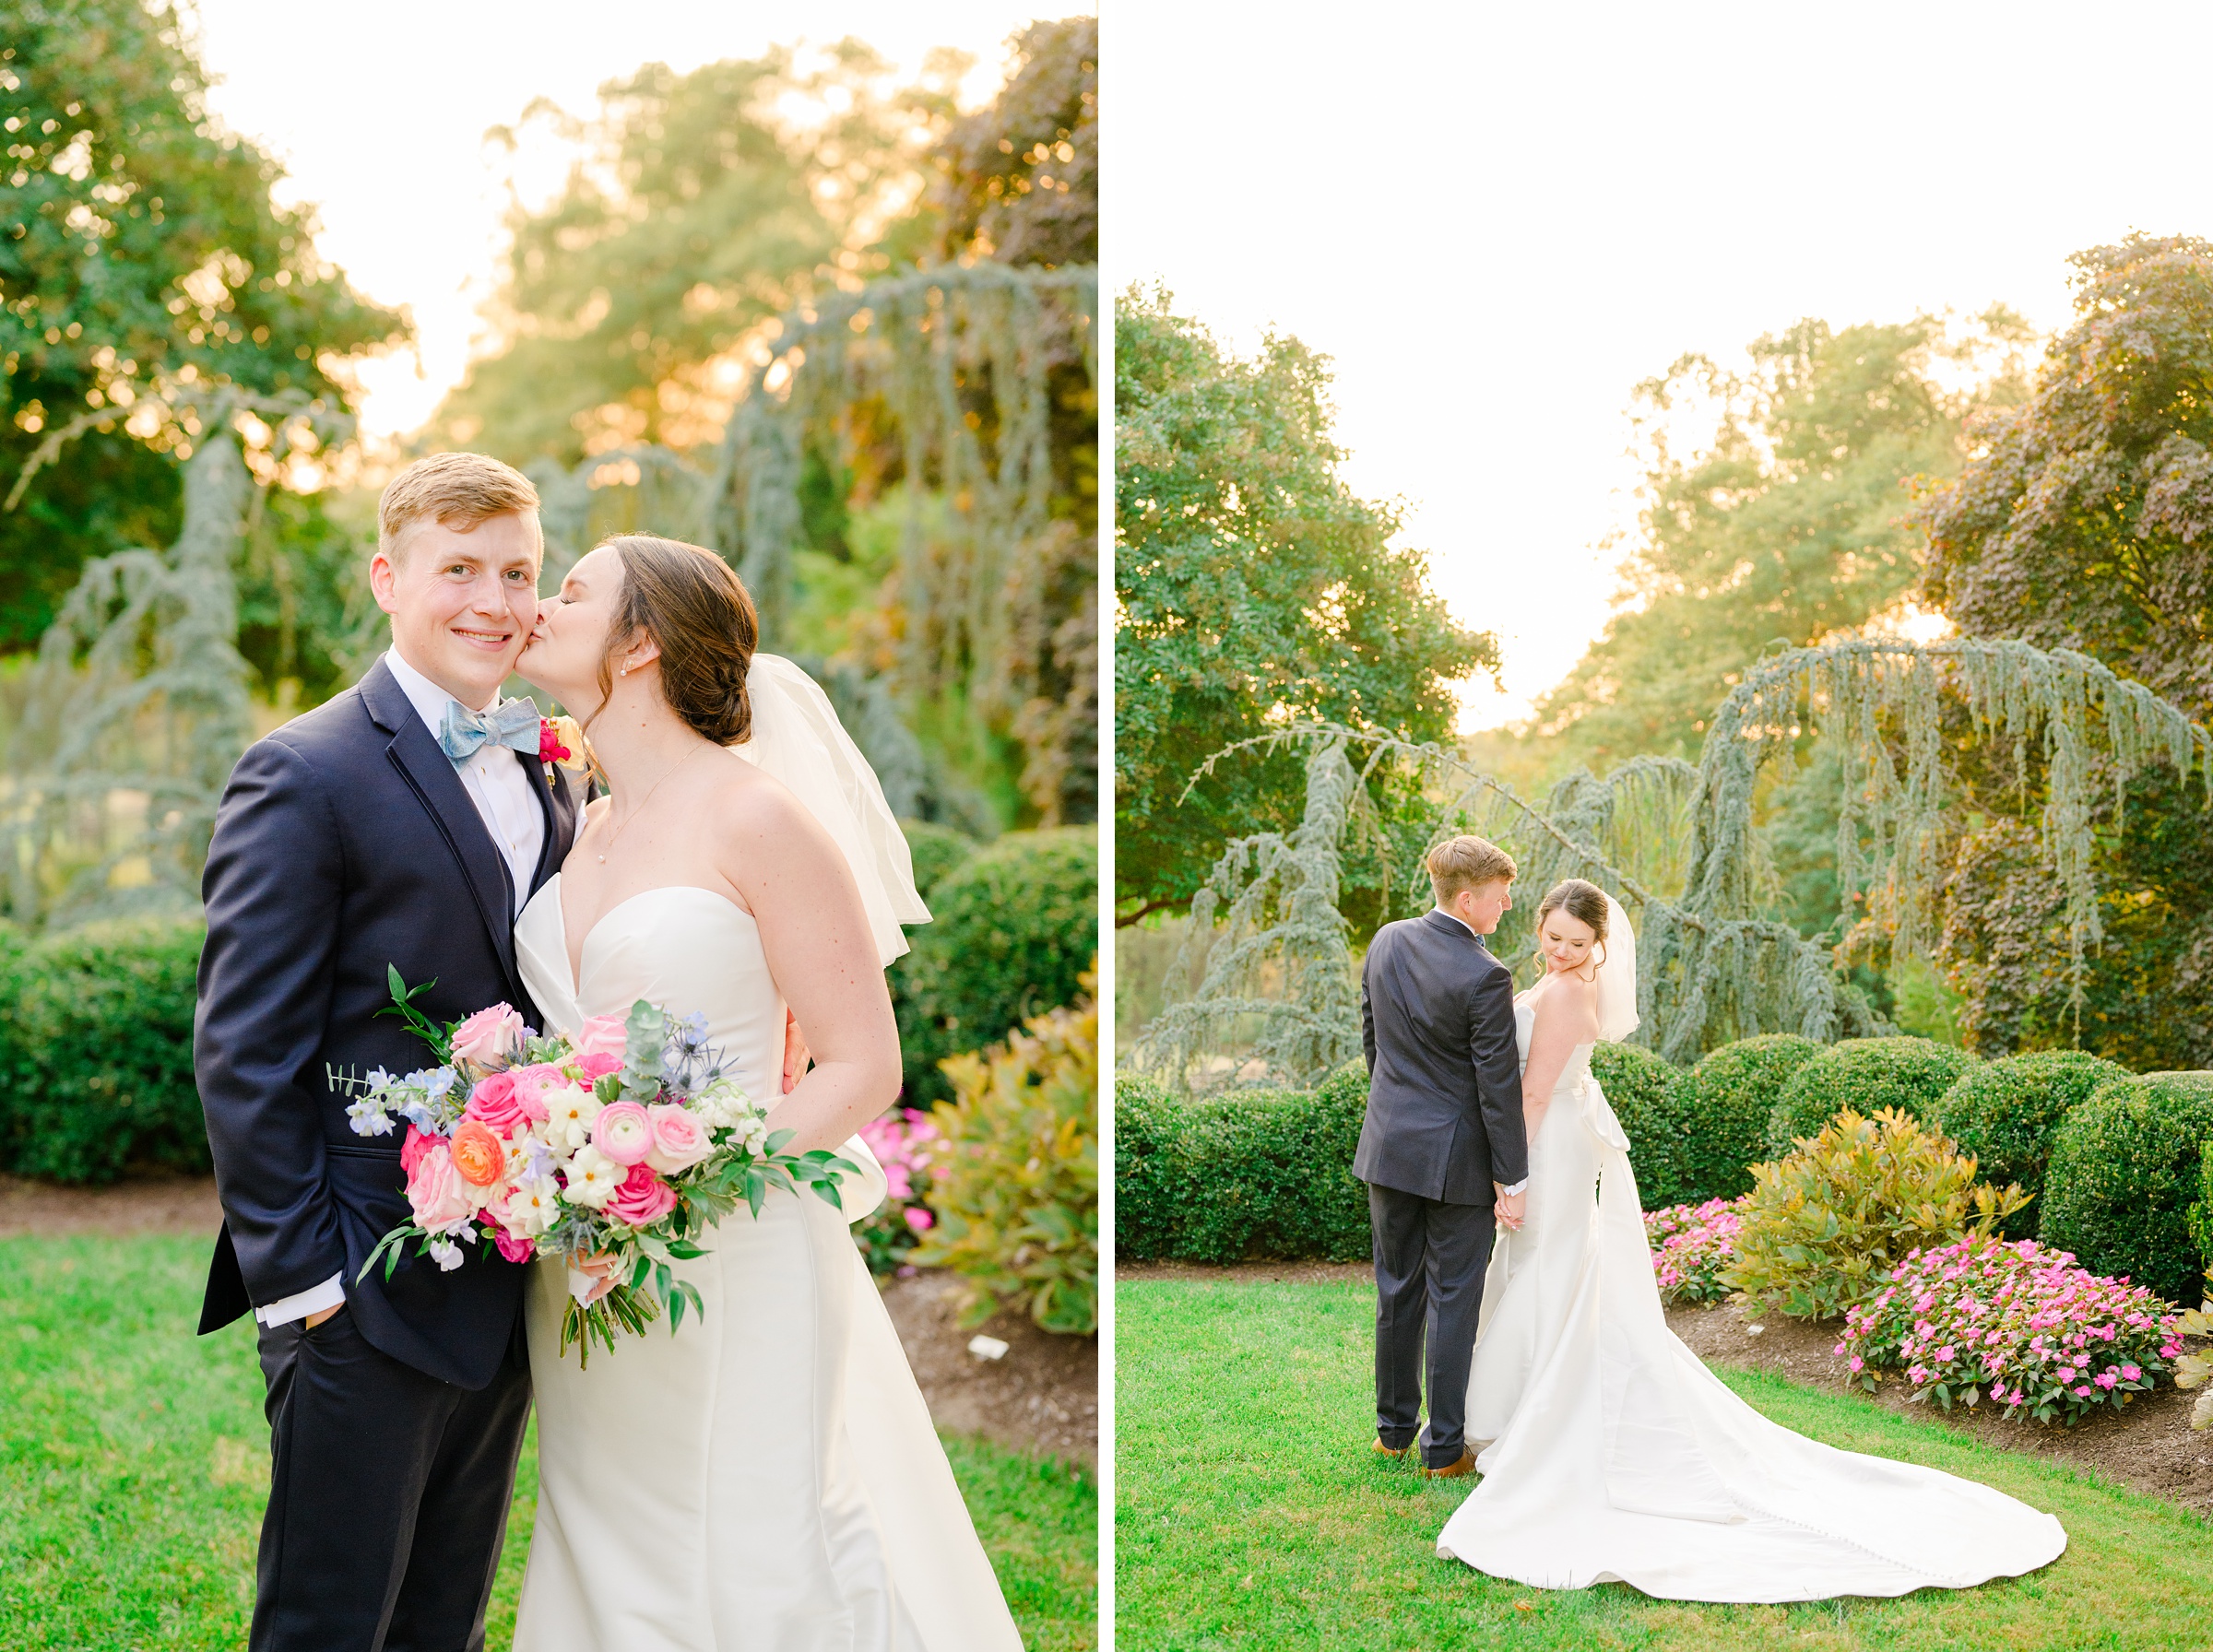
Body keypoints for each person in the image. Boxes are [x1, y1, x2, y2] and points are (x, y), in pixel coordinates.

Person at [505, 533, 1022, 1650]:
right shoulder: (582, 826)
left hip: (732, 1250)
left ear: (639, 642)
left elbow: (862, 1065)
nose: (539, 605)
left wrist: (676, 1173)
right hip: (584, 1259)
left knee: (755, 1548)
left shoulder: (758, 820)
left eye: (572, 591)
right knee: (608, 1535)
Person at [195, 453, 586, 1650]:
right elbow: (243, 1053)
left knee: (442, 1622)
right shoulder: (305, 773)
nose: (494, 601)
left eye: (518, 572)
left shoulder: (543, 759)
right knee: (329, 1621)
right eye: (458, 568)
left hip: (505, 1272)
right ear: (387, 578)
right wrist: (309, 1292)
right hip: (359, 1285)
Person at [1437, 878, 2068, 1599]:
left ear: (1600, 947)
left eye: (1578, 944)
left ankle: (1531, 1422)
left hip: (1545, 1145)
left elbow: (1537, 1091)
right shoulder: (1556, 983)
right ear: (1541, 925)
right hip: (1554, 1140)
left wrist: (1508, 1174)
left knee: (1546, 1271)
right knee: (1543, 1270)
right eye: (1552, 937)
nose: (1560, 951)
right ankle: (1519, 1413)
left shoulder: (1567, 994)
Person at [1353, 835, 1530, 1479]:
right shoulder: (1487, 974)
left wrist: (1397, 1111)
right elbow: (1496, 1086)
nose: (1507, 903)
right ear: (1465, 897)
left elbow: (1373, 1042)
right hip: (1456, 1161)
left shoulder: (1387, 941)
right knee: (1454, 1299)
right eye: (1498, 894)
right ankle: (1444, 1448)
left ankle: (1393, 1433)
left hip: (1389, 1146)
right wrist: (1513, 1174)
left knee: (1396, 1289)